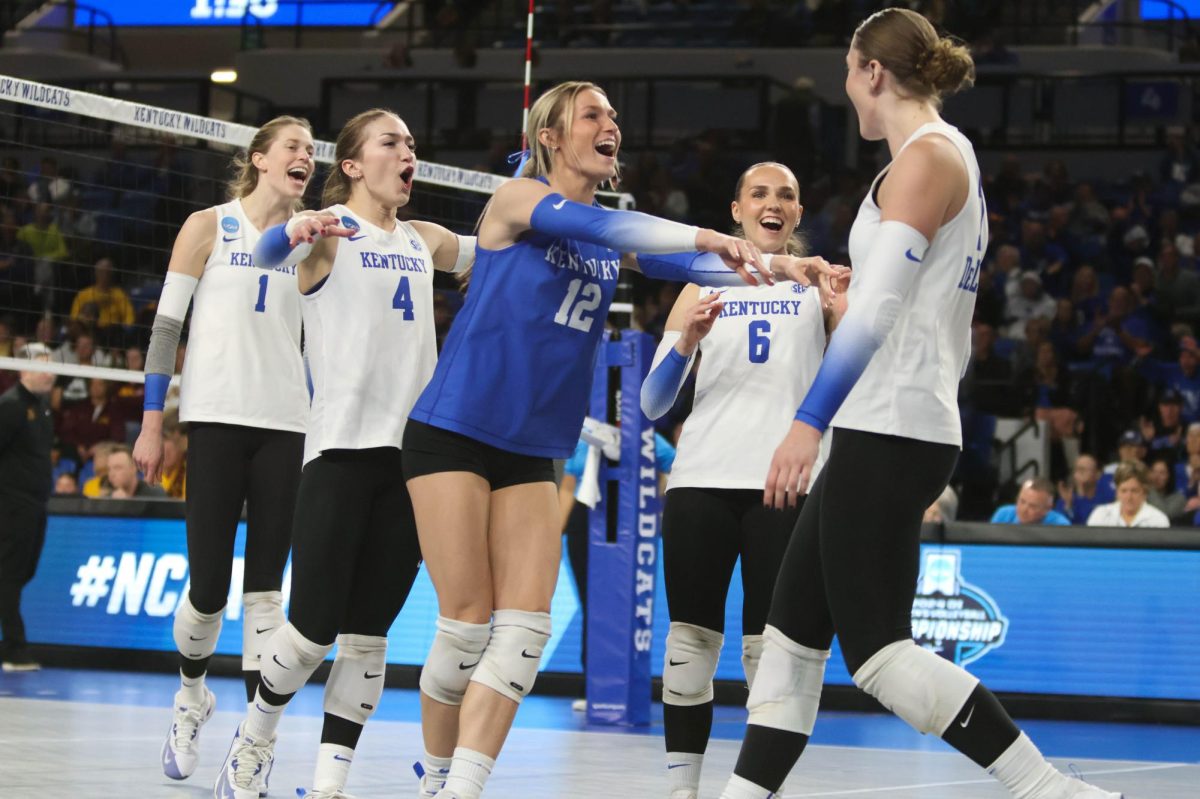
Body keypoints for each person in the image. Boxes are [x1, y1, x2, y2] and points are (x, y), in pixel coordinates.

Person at [719, 11, 1124, 799]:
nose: (845, 86)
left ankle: (1050, 790)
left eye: (847, 67)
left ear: (873, 71)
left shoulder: (926, 159)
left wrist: (805, 421)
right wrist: (846, 288)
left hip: (892, 423)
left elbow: (878, 321)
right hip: (885, 418)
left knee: (878, 656)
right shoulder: (931, 159)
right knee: (791, 640)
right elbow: (890, 304)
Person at [401, 81, 835, 799]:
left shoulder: (606, 234)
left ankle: (459, 788)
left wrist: (787, 265)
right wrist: (712, 237)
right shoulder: (517, 199)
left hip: (535, 447)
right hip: (454, 428)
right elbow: (621, 234)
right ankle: (435, 769)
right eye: (594, 115)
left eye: (613, 116)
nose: (612, 126)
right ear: (551, 135)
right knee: (466, 627)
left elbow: (686, 265)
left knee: (524, 635)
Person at [216, 108, 475, 799]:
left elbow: (501, 253)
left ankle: (328, 784)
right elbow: (270, 254)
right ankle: (254, 739)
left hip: (414, 464)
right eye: (392, 141)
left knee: (369, 637)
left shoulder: (424, 238)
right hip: (338, 454)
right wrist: (292, 230)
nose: (408, 152)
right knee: (310, 631)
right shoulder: (329, 231)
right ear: (354, 165)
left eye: (413, 142)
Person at [639, 161, 844, 799]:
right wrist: (683, 343)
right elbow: (651, 404)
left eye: (787, 193)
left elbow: (854, 379)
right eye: (759, 193)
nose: (773, 202)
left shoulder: (817, 286)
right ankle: (682, 790)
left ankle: (756, 789)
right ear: (737, 210)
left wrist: (843, 309)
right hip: (701, 479)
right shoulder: (701, 283)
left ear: (799, 214)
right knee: (689, 647)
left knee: (770, 652)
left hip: (786, 486)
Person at [131, 116, 317, 784]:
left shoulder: (316, 235)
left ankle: (250, 750)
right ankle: (189, 697)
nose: (307, 155)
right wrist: (153, 422)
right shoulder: (211, 225)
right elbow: (164, 330)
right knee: (209, 589)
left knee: (267, 595)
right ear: (260, 158)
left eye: (312, 149)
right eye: (294, 146)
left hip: (286, 424)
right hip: (212, 419)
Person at [0, 344, 55, 672]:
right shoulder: (11, 406)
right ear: (23, 369)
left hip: (36, 504)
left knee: (24, 572)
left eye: (51, 366)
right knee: (9, 574)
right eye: (42, 366)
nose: (50, 373)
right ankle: (14, 649)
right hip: (12, 506)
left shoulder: (42, 408)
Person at [1086, 461, 1170, 528]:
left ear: (1144, 492)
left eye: (1134, 491)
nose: (1128, 497)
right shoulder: (1100, 515)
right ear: (1117, 492)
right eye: (1123, 491)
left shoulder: (1158, 519)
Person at [1054, 453, 1113, 524]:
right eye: (1077, 469)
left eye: (1083, 469)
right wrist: (1068, 505)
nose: (1079, 473)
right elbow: (1059, 528)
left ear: (1097, 474)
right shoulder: (1065, 500)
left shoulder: (1107, 499)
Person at [989, 477, 1070, 526]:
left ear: (1047, 509)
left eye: (1033, 506)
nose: (1024, 509)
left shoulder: (1060, 525)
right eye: (1022, 501)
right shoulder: (1003, 514)